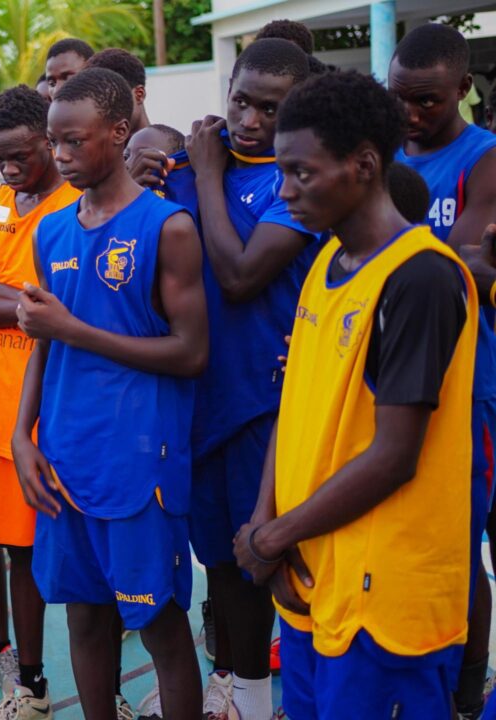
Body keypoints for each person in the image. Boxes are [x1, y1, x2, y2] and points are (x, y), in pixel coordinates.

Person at [244, 68, 477, 720]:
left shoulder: (421, 279)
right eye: (280, 173)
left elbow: (396, 455)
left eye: (302, 173)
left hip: (384, 599)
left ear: (365, 164)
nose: (284, 191)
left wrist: (272, 537)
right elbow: (297, 405)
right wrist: (267, 522)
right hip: (315, 575)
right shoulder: (327, 260)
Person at [12, 67, 207, 720]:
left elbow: (190, 353)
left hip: (137, 459)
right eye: (53, 142)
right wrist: (21, 435)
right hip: (66, 455)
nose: (59, 155)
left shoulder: (168, 226)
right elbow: (46, 341)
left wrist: (74, 328)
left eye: (74, 141)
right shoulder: (50, 230)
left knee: (158, 626)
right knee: (86, 620)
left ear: (120, 132)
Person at [160, 38, 321, 720]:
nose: (250, 119)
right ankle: (244, 690)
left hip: (267, 403)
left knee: (274, 561)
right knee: (222, 565)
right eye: (241, 101)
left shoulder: (297, 183)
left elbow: (240, 273)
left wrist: (203, 175)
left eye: (270, 107)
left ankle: (289, 696)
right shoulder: (189, 166)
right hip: (201, 401)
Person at [0, 85, 81, 719]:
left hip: (67, 389)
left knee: (83, 546)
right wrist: (35, 304)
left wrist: (10, 302)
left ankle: (100, 682)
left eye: (20, 155)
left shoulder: (77, 204)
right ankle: (30, 682)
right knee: (16, 550)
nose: (8, 168)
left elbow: (78, 309)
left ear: (51, 143)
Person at [390, 23, 496, 716]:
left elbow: (467, 270)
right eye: (399, 97)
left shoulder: (483, 158)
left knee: (463, 541)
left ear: (462, 90)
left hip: (467, 382)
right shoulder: (380, 148)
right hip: (389, 376)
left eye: (426, 100)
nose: (410, 112)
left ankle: (466, 688)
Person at [85, 49, 150, 136]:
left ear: (139, 95)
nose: (105, 113)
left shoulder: (169, 147)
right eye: (97, 105)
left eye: (112, 100)